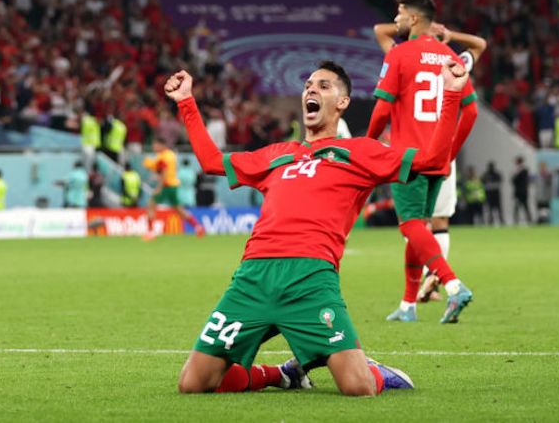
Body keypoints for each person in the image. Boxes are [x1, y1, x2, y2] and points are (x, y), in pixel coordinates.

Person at [169, 59, 470, 396]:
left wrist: (452, 95)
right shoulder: (278, 153)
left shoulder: (361, 152)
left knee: (359, 387)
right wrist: (186, 101)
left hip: (311, 279)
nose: (311, 89)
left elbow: (433, 161)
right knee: (193, 383)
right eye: (308, 85)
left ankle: (374, 370)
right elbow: (212, 162)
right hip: (253, 278)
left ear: (342, 102)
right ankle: (282, 375)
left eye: (324, 86)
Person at [367, 0, 481, 320]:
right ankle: (407, 305)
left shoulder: (400, 54)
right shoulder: (450, 56)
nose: (397, 19)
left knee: (410, 227)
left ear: (414, 19)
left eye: (400, 13)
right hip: (437, 158)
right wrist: (450, 151)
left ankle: (454, 286)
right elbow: (471, 112)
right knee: (419, 228)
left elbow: (382, 109)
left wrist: (368, 143)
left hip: (407, 157)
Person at [142, 136, 205, 240]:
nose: (154, 147)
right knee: (179, 210)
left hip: (166, 186)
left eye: (155, 145)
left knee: (150, 206)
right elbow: (163, 170)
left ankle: (150, 232)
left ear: (161, 145)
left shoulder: (163, 157)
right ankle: (198, 227)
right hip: (173, 186)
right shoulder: (170, 155)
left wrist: (159, 187)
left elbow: (163, 172)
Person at [511, 156, 532, 225]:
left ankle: (529, 220)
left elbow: (515, 180)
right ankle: (516, 221)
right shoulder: (518, 171)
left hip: (522, 192)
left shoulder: (524, 170)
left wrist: (516, 174)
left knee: (525, 207)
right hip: (518, 192)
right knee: (517, 207)